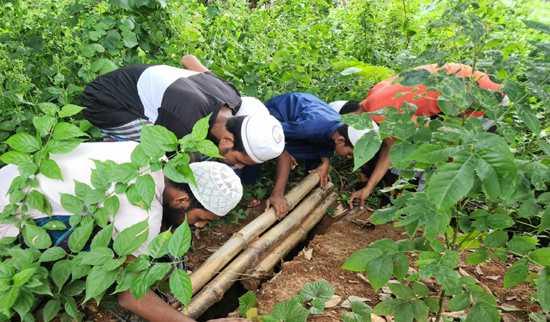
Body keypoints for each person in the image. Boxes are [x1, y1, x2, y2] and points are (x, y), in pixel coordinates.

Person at [0, 141, 250, 322]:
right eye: (202, 219)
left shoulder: (149, 156)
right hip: (3, 224)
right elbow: (130, 296)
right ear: (182, 199)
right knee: (118, 260)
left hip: (13, 179)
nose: (199, 226)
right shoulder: (143, 214)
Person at [331, 63, 506, 209]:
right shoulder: (374, 96)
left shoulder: (382, 114)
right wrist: (368, 188)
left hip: (485, 99)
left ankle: (433, 207)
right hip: (462, 81)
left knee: (453, 153)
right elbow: (392, 144)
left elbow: (434, 129)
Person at [80, 55, 284, 169]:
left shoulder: (232, 97)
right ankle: (110, 149)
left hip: (132, 85)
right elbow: (169, 166)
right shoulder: (185, 122)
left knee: (201, 156)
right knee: (155, 161)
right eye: (240, 161)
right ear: (228, 140)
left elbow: (188, 59)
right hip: (103, 101)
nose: (239, 167)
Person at [243, 92, 377, 219]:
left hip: (299, 120)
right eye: (349, 153)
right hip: (275, 115)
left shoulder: (337, 128)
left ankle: (311, 176)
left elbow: (325, 140)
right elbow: (269, 130)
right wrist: (283, 150)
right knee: (259, 146)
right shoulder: (308, 128)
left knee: (318, 155)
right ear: (341, 140)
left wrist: (325, 162)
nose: (348, 157)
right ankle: (246, 187)